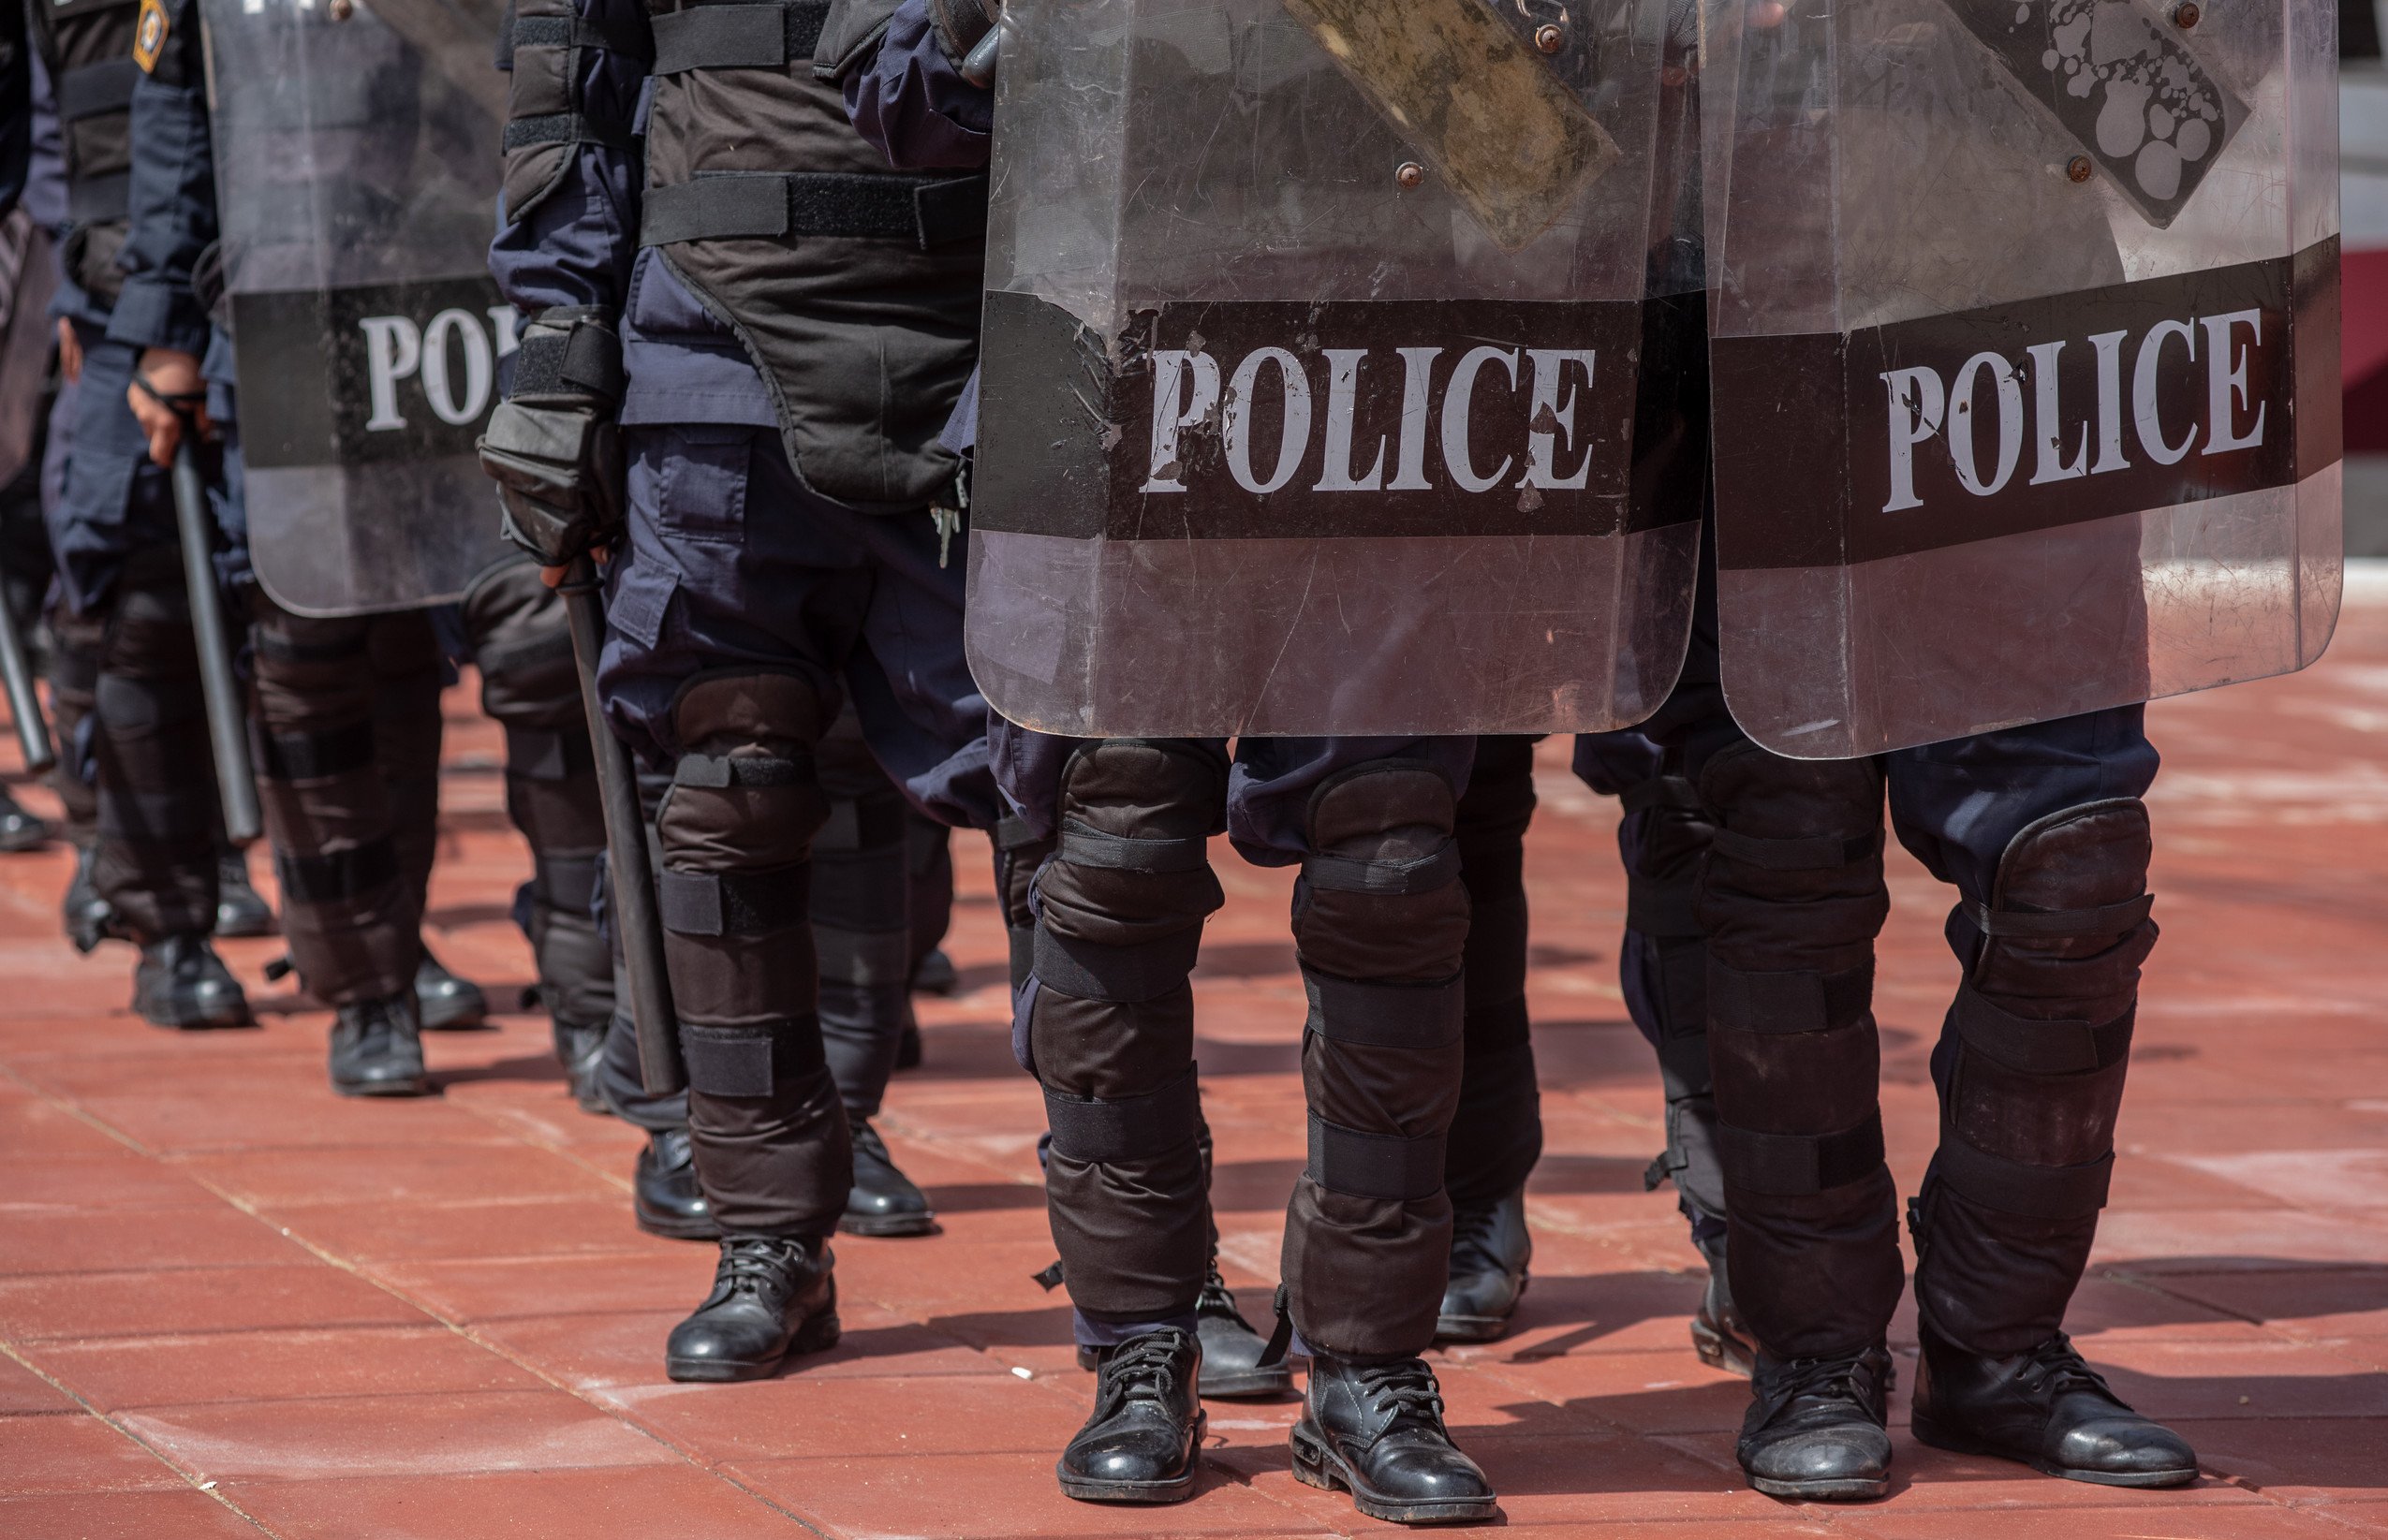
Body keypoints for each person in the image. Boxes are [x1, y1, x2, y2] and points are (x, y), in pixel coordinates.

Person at [845, 6, 1511, 1518]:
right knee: (1110, 865)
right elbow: (900, 107)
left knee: (1392, 872)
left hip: (1375, 399)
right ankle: (1138, 1346)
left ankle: (1365, 1367)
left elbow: (1536, 156)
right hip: (1102, 390)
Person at [482, 0, 1004, 1380]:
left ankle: (1149, 1296)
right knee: (727, 785)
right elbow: (569, 87)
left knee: (1079, 820)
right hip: (711, 353)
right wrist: (554, 349)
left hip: (986, 349)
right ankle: (767, 1234)